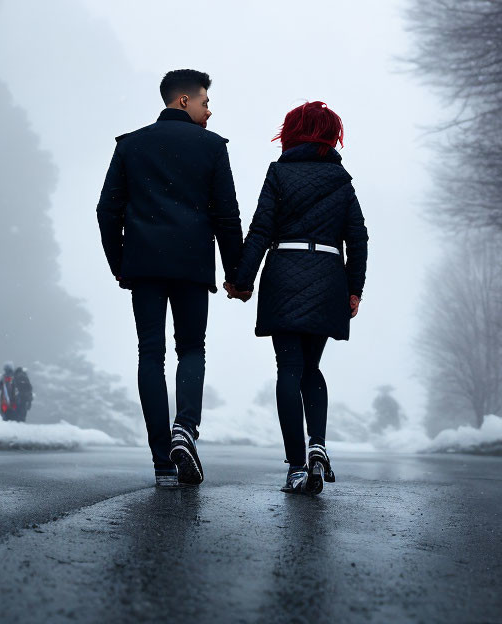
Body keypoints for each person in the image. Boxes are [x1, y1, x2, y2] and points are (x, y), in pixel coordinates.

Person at [96, 69, 244, 488]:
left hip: (143, 265)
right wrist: (236, 274)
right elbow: (226, 217)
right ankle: (186, 429)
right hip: (192, 266)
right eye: (205, 102)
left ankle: (162, 460)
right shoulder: (212, 148)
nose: (209, 111)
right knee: (191, 349)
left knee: (150, 354)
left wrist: (120, 262)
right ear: (184, 101)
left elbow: (107, 211)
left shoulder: (130, 145)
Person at [229, 101, 368, 494]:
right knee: (312, 368)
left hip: (284, 272)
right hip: (328, 277)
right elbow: (358, 239)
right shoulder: (341, 181)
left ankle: (295, 465)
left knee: (288, 368)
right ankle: (318, 446)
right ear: (330, 135)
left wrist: (241, 280)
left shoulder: (279, 173)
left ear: (290, 133)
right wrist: (354, 288)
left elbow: (260, 230)